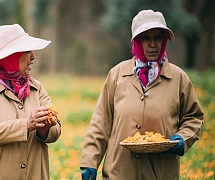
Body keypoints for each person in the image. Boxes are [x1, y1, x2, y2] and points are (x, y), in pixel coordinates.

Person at [80, 9, 203, 180]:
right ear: (137, 42)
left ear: (164, 40)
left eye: (157, 38)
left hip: (161, 173)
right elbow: (100, 121)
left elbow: (193, 117)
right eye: (146, 38)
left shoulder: (178, 78)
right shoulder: (117, 75)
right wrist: (89, 162)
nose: (152, 44)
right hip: (119, 172)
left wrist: (182, 138)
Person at [0, 24, 61, 180]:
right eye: (27, 51)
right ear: (10, 55)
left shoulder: (36, 87)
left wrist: (45, 128)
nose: (33, 57)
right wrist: (27, 125)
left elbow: (55, 130)